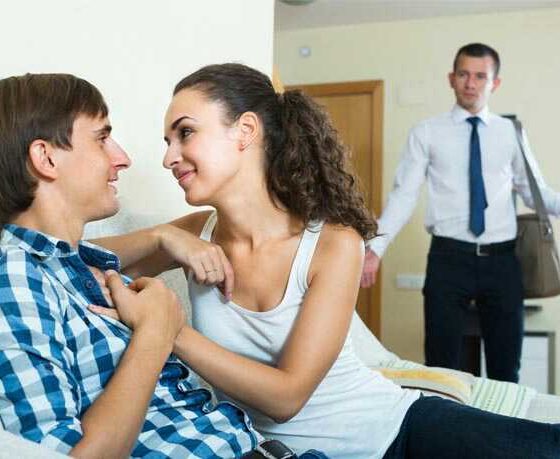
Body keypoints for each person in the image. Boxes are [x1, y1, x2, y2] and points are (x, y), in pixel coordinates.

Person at [93, 63, 560, 458]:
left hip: (397, 431)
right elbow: (74, 263)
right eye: (168, 141)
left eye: (185, 133)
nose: (169, 158)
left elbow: (286, 397)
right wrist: (161, 235)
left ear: (246, 131)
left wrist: (167, 329)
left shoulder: (333, 243)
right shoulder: (194, 235)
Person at [0, 73, 325, 459]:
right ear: (46, 157)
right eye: (102, 138)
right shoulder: (16, 277)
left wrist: (160, 236)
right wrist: (157, 331)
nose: (122, 158)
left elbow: (64, 253)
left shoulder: (72, 264)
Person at [360, 42, 560, 383]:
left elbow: (534, 193)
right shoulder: (426, 132)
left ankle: (497, 419)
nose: (471, 83)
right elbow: (404, 195)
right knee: (441, 366)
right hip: (448, 259)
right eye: (464, 74)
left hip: (502, 262)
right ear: (451, 79)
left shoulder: (510, 132)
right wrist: (375, 248)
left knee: (505, 367)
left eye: (480, 76)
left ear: (495, 83)